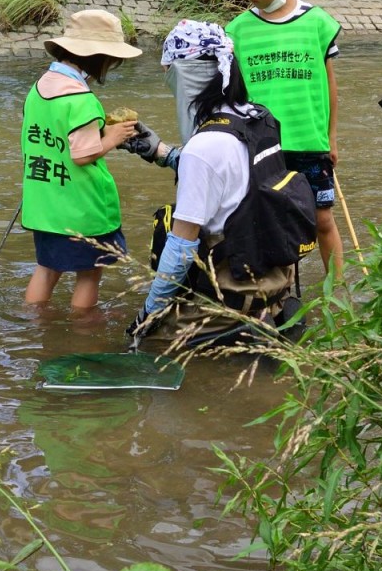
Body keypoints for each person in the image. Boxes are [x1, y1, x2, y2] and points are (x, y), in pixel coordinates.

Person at [123, 21, 317, 345]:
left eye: (170, 72)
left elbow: (182, 249)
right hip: (275, 278)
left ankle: (227, 330)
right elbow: (238, 178)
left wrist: (148, 317)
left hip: (237, 288)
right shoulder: (257, 117)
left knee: (152, 341)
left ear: (189, 74)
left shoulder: (204, 148)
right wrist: (164, 153)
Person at [219, 0, 344, 275]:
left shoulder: (318, 23)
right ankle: (279, 296)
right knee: (270, 221)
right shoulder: (237, 31)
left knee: (321, 219)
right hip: (262, 146)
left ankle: (339, 293)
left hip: (309, 142)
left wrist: (331, 136)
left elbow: (330, 85)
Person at [21, 9, 140, 309]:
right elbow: (84, 154)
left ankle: (34, 325)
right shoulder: (82, 100)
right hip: (81, 209)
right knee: (89, 274)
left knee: (47, 268)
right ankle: (84, 333)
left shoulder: (38, 89)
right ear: (97, 57)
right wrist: (112, 137)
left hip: (46, 204)